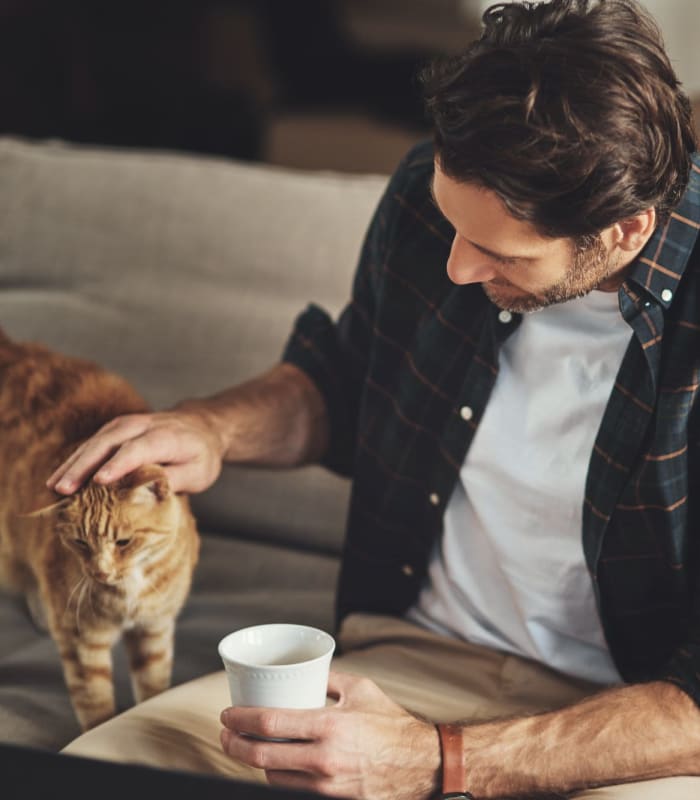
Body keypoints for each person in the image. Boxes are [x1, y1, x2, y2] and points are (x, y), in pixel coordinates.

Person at [49, 1, 700, 798]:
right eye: (449, 222)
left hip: (629, 728)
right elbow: (349, 379)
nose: (456, 268)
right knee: (100, 775)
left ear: (623, 233)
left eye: (497, 251)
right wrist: (212, 430)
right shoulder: (427, 204)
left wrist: (438, 761)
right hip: (403, 659)